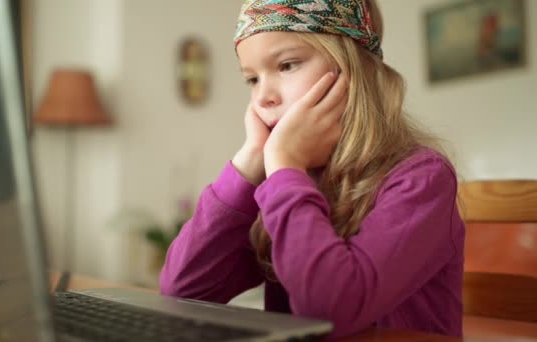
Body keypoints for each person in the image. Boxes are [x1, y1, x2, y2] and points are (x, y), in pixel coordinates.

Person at [160, 0, 465, 339]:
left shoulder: (422, 178)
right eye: (252, 79)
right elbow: (182, 293)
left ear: (352, 69)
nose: (263, 97)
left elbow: (327, 314)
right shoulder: (288, 181)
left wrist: (286, 166)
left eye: (287, 65)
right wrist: (250, 162)